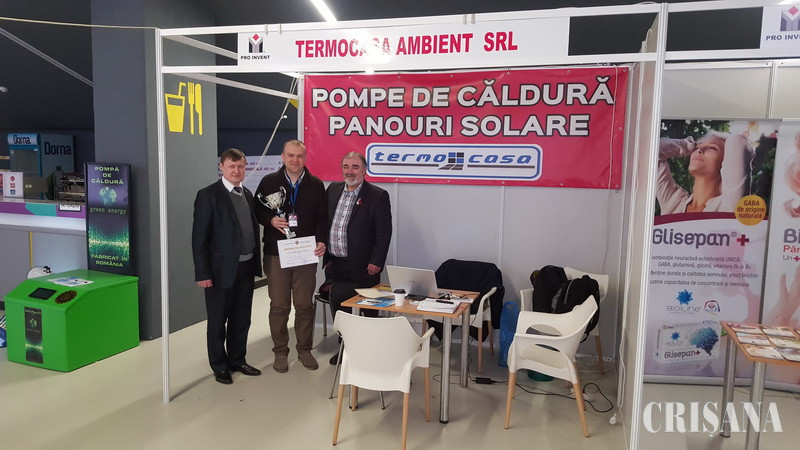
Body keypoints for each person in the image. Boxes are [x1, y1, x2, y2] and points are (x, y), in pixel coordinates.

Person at [254, 139, 327, 373]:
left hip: (304, 254)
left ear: (305, 158)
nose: (295, 160)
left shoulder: (316, 185)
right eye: (291, 155)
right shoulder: (269, 181)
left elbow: (323, 217)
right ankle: (280, 352)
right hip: (276, 254)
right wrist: (270, 220)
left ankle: (304, 350)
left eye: (300, 156)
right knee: (279, 305)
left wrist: (322, 240)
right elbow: (257, 210)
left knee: (304, 305)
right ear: (283, 157)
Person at [192, 148, 262, 385]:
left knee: (242, 318)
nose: (237, 171)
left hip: (246, 267)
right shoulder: (208, 195)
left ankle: (237, 360)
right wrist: (202, 273)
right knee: (217, 321)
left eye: (240, 166)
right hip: (219, 271)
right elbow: (199, 238)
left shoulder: (247, 193)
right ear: (221, 167)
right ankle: (219, 366)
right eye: (232, 166)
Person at [324, 151, 392, 364]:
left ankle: (368, 352)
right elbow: (326, 222)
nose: (350, 171)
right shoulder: (333, 189)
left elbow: (384, 232)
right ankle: (345, 348)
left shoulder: (378, 196)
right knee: (340, 307)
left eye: (355, 167)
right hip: (336, 263)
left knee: (368, 311)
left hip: (365, 267)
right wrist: (326, 254)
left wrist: (377, 261)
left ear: (364, 171)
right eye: (346, 166)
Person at [656, 131, 754, 214]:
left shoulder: (729, 204)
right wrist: (688, 144)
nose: (699, 150)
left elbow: (737, 141)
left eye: (712, 148)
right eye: (696, 148)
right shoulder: (673, 202)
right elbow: (654, 150)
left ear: (725, 162)